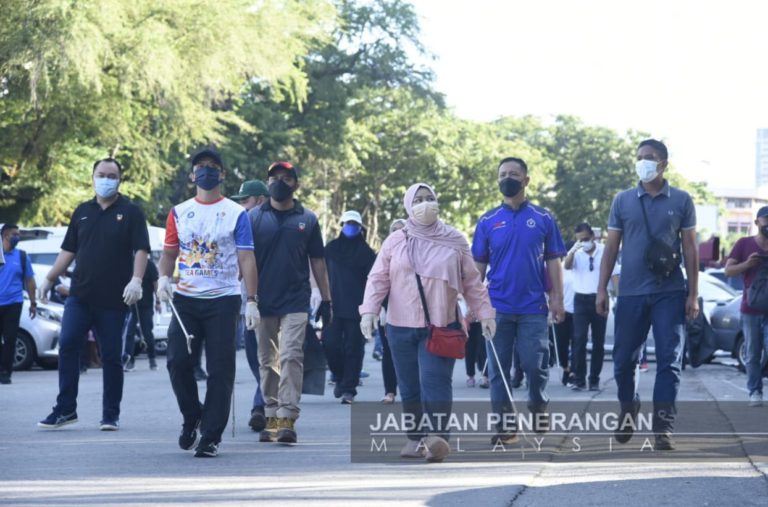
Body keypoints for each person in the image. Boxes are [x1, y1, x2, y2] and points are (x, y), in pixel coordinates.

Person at [360, 183, 496, 463]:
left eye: (429, 198)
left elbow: (472, 281)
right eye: (418, 200)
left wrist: (485, 314)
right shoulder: (395, 241)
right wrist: (369, 310)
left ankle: (437, 438)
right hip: (400, 326)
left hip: (441, 325)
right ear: (408, 206)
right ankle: (415, 438)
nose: (425, 204)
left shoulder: (454, 239)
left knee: (435, 382)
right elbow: (378, 278)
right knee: (409, 386)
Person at [597, 138, 698, 451]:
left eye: (650, 157)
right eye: (640, 156)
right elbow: (611, 248)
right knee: (623, 361)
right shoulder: (622, 200)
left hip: (670, 292)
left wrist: (693, 294)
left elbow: (690, 249)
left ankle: (663, 429)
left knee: (669, 361)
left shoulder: (681, 200)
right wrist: (602, 289)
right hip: (630, 293)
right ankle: (628, 407)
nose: (643, 162)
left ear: (663, 163)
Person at [158, 148, 260, 458]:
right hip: (186, 299)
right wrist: (163, 279)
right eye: (201, 166)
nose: (206, 171)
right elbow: (169, 253)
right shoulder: (179, 212)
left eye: (213, 166)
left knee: (220, 369)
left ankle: (211, 436)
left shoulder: (236, 213)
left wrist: (251, 300)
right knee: (177, 361)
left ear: (222, 174)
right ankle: (193, 416)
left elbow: (246, 257)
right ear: (192, 175)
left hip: (223, 300)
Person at [37, 158, 150, 431]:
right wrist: (49, 278)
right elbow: (69, 250)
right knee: (67, 345)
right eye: (101, 174)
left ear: (120, 180)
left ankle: (110, 414)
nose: (106, 180)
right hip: (80, 295)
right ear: (92, 177)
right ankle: (65, 409)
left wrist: (137, 280)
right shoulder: (82, 211)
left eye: (112, 175)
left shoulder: (131, 212)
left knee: (110, 356)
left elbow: (141, 249)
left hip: (113, 300)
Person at [472, 157, 566, 443]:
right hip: (497, 307)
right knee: (499, 370)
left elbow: (554, 261)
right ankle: (506, 427)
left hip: (533, 307)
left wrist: (557, 299)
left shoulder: (543, 218)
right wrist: (475, 304)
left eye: (513, 174)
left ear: (526, 180)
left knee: (534, 365)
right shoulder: (487, 221)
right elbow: (478, 267)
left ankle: (538, 406)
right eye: (502, 174)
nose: (507, 179)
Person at [249, 161, 332, 444]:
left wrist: (327, 299)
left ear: (296, 184)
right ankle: (271, 417)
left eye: (286, 178)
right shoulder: (253, 218)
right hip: (262, 301)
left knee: (291, 356)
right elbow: (242, 257)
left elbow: (318, 261)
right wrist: (244, 298)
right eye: (274, 178)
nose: (279, 183)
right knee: (267, 361)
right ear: (267, 183)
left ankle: (287, 419)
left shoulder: (307, 219)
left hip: (296, 301)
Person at [323, 210, 376, 404]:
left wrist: (373, 307)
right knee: (330, 345)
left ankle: (349, 389)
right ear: (341, 226)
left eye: (354, 224)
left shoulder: (367, 254)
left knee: (354, 348)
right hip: (333, 306)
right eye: (347, 223)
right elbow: (321, 273)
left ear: (360, 228)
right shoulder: (330, 249)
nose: (350, 227)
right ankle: (338, 376)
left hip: (358, 308)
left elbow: (374, 281)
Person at [230, 179, 271, 430]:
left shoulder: (273, 226)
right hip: (247, 304)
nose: (243, 206)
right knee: (256, 360)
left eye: (246, 201)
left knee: (272, 360)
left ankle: (261, 407)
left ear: (260, 200)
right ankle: (264, 402)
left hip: (274, 303)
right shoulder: (239, 224)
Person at [724, 206, 768, 406]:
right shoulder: (744, 243)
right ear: (757, 222)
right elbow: (728, 271)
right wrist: (748, 264)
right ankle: (754, 392)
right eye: (766, 220)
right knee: (752, 353)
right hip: (750, 308)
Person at [564, 223, 616, 391]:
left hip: (599, 298)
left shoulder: (604, 250)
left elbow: (614, 274)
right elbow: (567, 266)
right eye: (580, 240)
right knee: (579, 339)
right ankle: (579, 379)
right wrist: (573, 251)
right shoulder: (576, 253)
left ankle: (594, 379)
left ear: (593, 236)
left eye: (586, 239)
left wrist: (617, 296)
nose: (583, 243)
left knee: (598, 342)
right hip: (580, 299)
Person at [0, 224, 36, 384]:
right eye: (15, 234)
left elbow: (30, 281)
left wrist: (33, 303)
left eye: (18, 234)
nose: (18, 237)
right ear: (5, 236)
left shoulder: (22, 256)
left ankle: (5, 372)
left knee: (10, 339)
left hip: (14, 303)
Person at [377, 218, 407, 403]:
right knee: (389, 351)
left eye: (401, 229)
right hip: (388, 311)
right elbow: (377, 282)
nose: (397, 233)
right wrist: (377, 307)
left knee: (410, 354)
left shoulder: (416, 253)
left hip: (412, 312)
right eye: (394, 230)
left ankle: (411, 393)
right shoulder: (383, 254)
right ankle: (390, 392)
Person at [122, 257, 160, 371]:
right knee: (129, 334)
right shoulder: (128, 263)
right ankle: (130, 361)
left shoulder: (150, 265)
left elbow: (155, 283)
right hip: (131, 305)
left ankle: (152, 359)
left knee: (147, 333)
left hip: (146, 305)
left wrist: (158, 301)